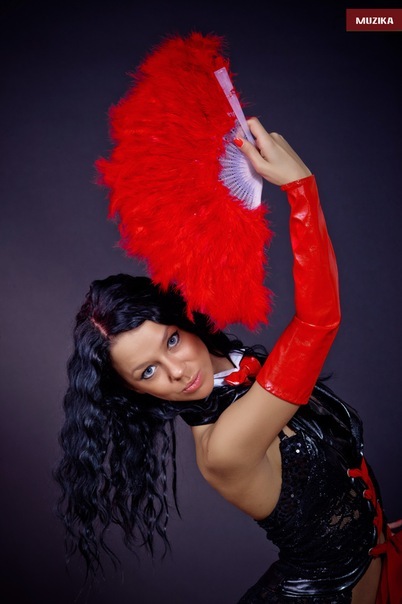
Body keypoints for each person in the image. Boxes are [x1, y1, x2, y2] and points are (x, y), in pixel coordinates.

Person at [55, 118, 401, 603]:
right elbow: (316, 325)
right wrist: (301, 190)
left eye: (171, 341)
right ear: (134, 391)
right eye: (148, 372)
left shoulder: (240, 371)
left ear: (184, 321)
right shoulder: (224, 448)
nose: (177, 371)